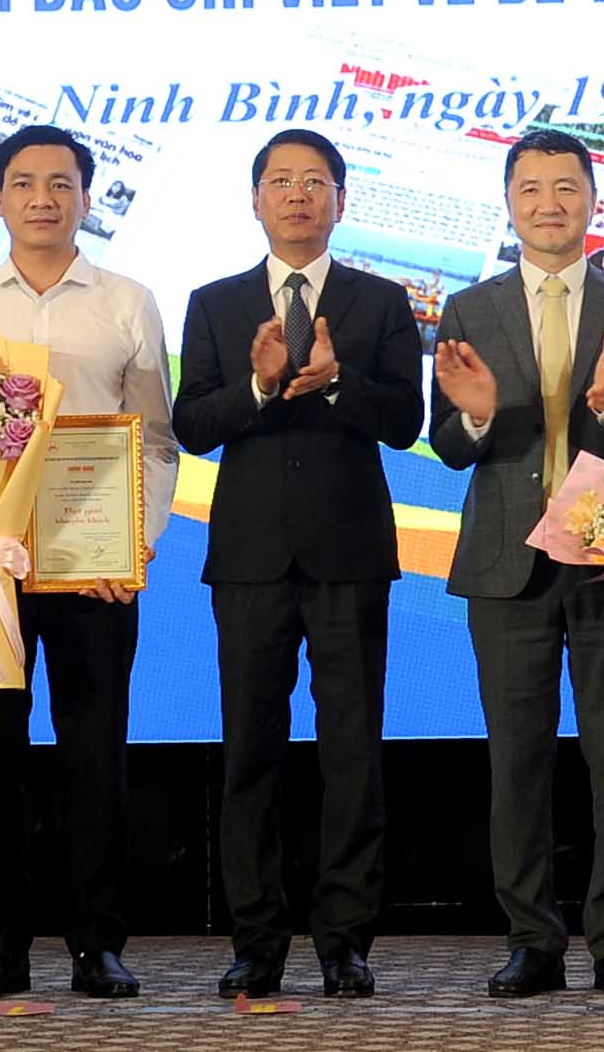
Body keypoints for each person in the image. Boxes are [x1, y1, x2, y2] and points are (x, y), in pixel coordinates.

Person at [170, 128, 427, 998]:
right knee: (251, 750)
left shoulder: (380, 301)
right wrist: (258, 388)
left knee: (352, 749)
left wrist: (335, 382)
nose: (297, 195)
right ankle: (257, 941)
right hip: (249, 558)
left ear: (341, 201)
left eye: (314, 181)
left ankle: (345, 940)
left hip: (350, 554)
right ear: (255, 200)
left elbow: (405, 421)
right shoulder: (215, 302)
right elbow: (193, 425)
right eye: (279, 181)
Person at [0, 125, 178, 1002]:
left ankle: (97, 945)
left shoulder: (127, 302)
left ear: (86, 198)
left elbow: (155, 439)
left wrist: (135, 541)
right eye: (25, 183)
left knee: (94, 754)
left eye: (61, 183)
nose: (43, 198)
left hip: (93, 562)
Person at [429, 129, 604, 998]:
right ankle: (531, 938)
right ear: (508, 203)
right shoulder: (469, 309)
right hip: (507, 564)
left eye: (566, 187)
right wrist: (475, 416)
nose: (549, 204)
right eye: (530, 188)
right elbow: (448, 443)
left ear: (593, 201)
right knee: (516, 760)